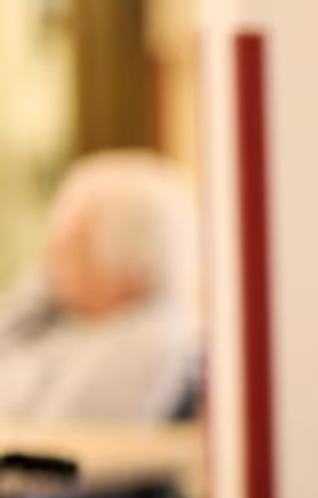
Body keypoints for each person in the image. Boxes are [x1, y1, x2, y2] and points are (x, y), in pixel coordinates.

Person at [0, 151, 199, 422]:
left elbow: (57, 432)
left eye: (74, 245)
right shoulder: (63, 320)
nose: (49, 259)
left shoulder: (149, 340)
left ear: (134, 271)